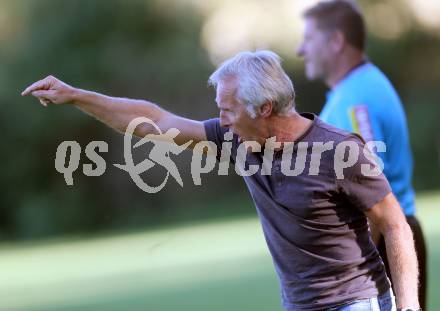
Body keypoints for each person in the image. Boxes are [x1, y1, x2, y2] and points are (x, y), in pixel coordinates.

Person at [22, 50, 420, 310]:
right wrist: (76, 96)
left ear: (264, 107)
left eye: (228, 110)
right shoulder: (239, 140)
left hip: (355, 301)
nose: (222, 120)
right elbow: (154, 121)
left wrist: (408, 307)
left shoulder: (339, 151)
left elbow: (395, 224)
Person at [296, 1, 426, 309]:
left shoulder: (356, 99)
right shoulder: (354, 90)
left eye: (309, 38)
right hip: (386, 241)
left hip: (383, 246)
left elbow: (373, 190)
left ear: (336, 41)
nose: (301, 49)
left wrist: (356, 265)